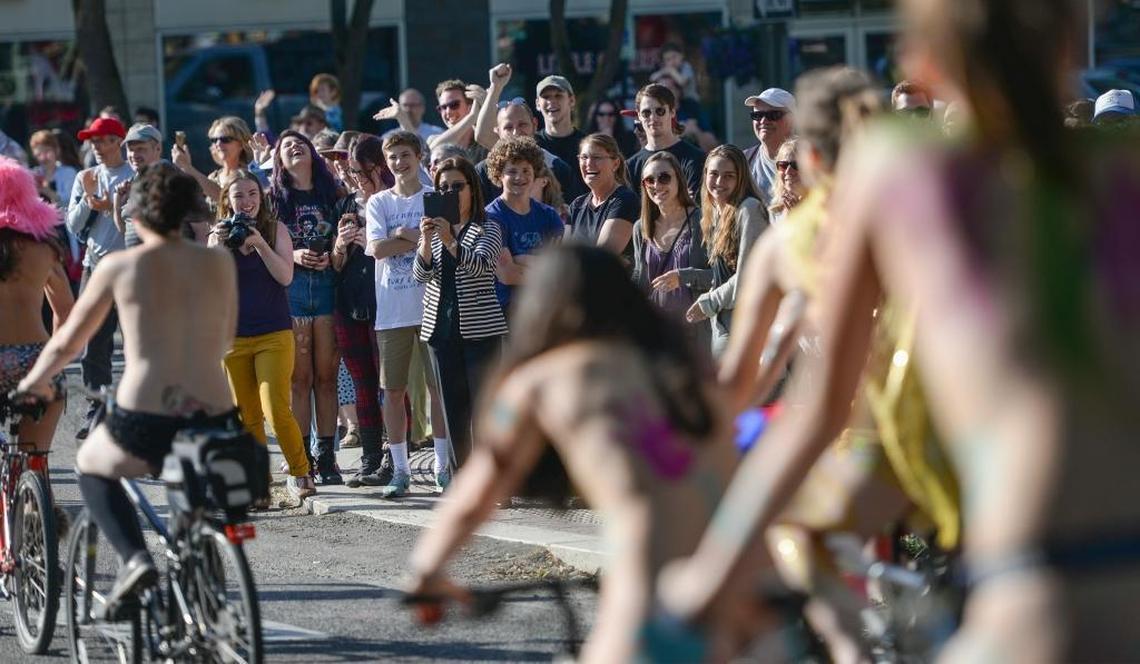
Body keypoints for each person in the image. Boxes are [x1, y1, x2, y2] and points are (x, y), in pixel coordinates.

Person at [666, 0, 1140, 658]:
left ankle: (854, 643)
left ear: (923, 62)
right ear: (1072, 48)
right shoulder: (1127, 164)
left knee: (804, 533)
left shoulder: (900, 169)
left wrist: (708, 571)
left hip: (1027, 578)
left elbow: (813, 406)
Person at [405, 245, 736, 663]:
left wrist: (427, 571)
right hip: (749, 585)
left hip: (657, 595)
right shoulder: (690, 378)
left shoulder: (543, 380)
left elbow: (474, 495)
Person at [17, 162, 238, 614]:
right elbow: (226, 337)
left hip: (148, 407)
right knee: (189, 498)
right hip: (214, 408)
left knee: (91, 465)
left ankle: (136, 560)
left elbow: (68, 341)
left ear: (135, 214)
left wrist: (33, 381)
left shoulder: (119, 265)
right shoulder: (218, 261)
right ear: (185, 215)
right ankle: (195, 586)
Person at [210, 170, 315, 501]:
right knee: (247, 415)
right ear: (227, 200)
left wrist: (258, 244)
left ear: (262, 196)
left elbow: (285, 276)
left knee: (274, 407)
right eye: (239, 195)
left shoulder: (274, 229)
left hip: (273, 333)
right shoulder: (218, 236)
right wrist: (219, 246)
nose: (247, 201)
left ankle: (301, 472)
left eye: (252, 193)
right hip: (233, 337)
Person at [365, 130, 447, 498]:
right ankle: (400, 470)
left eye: (405, 155)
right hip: (392, 311)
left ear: (418, 156)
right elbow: (377, 248)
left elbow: (447, 239)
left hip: (433, 304)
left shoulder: (434, 195)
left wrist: (408, 234)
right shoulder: (378, 202)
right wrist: (416, 236)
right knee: (393, 391)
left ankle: (445, 467)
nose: (399, 163)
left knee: (437, 389)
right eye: (393, 156)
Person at [414, 156, 507, 477]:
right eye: (443, 188)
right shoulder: (434, 228)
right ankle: (459, 477)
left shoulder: (489, 226)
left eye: (457, 186)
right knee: (452, 408)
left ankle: (492, 479)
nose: (450, 193)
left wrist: (451, 240)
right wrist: (426, 241)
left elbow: (482, 266)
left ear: (472, 189)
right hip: (441, 329)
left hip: (481, 329)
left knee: (485, 407)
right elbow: (420, 275)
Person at [269, 130, 349, 485]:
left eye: (300, 142)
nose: (295, 147)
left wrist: (333, 252)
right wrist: (294, 253)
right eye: (286, 146)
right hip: (294, 289)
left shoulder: (333, 193)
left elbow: (347, 235)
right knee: (299, 380)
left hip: (330, 284)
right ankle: (303, 457)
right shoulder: (273, 199)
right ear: (280, 162)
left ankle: (327, 456)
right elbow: (268, 247)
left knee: (327, 378)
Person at [0, 156, 74, 466]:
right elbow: (66, 313)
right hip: (34, 358)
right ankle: (34, 489)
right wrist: (54, 358)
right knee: (34, 456)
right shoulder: (45, 249)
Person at [333, 135, 397, 488]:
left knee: (390, 385)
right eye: (350, 170)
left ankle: (393, 454)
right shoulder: (345, 205)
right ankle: (370, 456)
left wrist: (373, 245)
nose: (354, 176)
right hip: (350, 302)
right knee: (363, 384)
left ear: (379, 168)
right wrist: (342, 245)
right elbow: (334, 262)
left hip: (386, 303)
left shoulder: (392, 203)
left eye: (360, 170)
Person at [65, 116, 133, 439]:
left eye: (103, 140)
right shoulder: (85, 176)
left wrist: (112, 206)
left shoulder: (134, 174)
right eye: (93, 141)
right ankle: (97, 409)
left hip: (133, 269)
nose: (97, 146)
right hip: (96, 268)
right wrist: (91, 202)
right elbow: (74, 225)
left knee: (136, 343)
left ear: (118, 141)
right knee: (94, 344)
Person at [685, 144, 768, 358]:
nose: (719, 182)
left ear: (740, 178)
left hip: (747, 324)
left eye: (728, 176)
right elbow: (722, 276)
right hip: (723, 323)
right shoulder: (715, 213)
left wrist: (709, 302)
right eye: (714, 174)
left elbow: (749, 276)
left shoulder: (749, 209)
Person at [629, 151, 709, 352]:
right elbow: (641, 277)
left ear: (678, 180)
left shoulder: (702, 221)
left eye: (664, 177)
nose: (657, 185)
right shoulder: (641, 227)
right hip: (657, 333)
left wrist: (683, 276)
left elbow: (721, 276)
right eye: (649, 180)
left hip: (696, 330)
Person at [472, 64, 582, 202]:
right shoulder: (483, 171)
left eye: (522, 124)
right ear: (497, 131)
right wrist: (496, 87)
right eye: (508, 127)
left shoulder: (556, 167)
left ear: (534, 125)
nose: (516, 131)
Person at [484, 137, 564, 312]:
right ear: (499, 175)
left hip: (545, 310)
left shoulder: (549, 216)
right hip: (506, 313)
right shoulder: (491, 217)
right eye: (512, 171)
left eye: (526, 170)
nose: (520, 177)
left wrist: (520, 260)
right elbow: (507, 274)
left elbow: (559, 269)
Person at [626, 84, 706, 198]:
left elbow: (696, 211)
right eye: (646, 113)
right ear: (639, 116)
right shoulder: (630, 167)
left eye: (660, 111)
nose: (653, 118)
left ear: (672, 112)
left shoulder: (695, 158)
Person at [568, 133, 640, 261]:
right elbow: (564, 253)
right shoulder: (577, 205)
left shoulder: (625, 200)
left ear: (615, 164)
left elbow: (603, 257)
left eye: (597, 157)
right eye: (584, 157)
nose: (589, 163)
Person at [172, 116, 264, 204]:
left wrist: (188, 168)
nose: (218, 144)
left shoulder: (248, 176)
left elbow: (227, 200)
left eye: (225, 139)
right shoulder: (213, 177)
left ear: (241, 143)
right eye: (214, 140)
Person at [534, 74, 587, 196]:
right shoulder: (532, 144)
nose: (552, 101)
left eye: (558, 96)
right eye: (546, 97)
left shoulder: (587, 145)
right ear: (537, 104)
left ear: (571, 100)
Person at [743, 87, 796, 205]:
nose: (763, 121)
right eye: (757, 115)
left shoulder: (808, 160)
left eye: (773, 115)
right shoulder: (744, 161)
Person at [426, 79, 488, 164]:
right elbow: (433, 149)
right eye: (443, 107)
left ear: (470, 107)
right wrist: (472, 116)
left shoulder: (484, 142)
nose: (448, 112)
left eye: (454, 105)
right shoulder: (434, 139)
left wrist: (488, 105)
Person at [373, 88, 445, 144]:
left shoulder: (437, 133)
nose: (408, 109)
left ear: (422, 108)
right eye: (405, 105)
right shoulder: (387, 137)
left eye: (412, 105)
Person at [29, 129, 78, 209]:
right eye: (39, 154)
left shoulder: (69, 172)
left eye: (47, 152)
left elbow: (69, 202)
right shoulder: (33, 174)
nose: (43, 158)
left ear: (57, 150)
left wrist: (47, 191)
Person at [766, 138, 806, 225]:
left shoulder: (822, 206)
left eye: (796, 165)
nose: (788, 171)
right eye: (783, 165)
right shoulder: (774, 211)